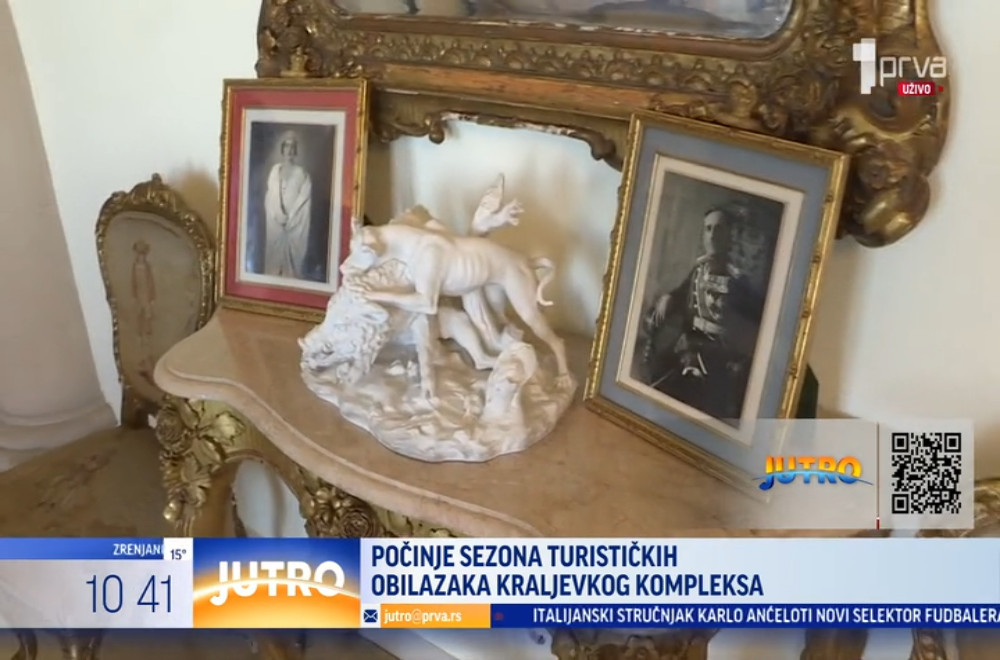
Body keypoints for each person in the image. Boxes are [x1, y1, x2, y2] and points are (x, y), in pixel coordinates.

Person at [638, 203, 765, 423]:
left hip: (719, 356)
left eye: (719, 229)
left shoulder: (739, 282)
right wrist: (668, 297)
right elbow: (681, 293)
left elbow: (749, 334)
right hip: (688, 344)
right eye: (708, 229)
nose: (713, 235)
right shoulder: (698, 271)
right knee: (656, 380)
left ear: (729, 236)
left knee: (708, 405)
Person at [264, 131, 313, 279]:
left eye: (293, 147)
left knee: (292, 270)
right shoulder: (275, 171)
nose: (289, 150)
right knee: (274, 265)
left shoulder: (302, 173)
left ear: (295, 150)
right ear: (282, 149)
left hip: (295, 224)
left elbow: (304, 200)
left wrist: (291, 219)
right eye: (287, 146)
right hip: (276, 224)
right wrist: (278, 216)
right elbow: (270, 197)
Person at [131, 239, 156, 375]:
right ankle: (142, 356)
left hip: (146, 297)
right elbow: (133, 283)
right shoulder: (135, 266)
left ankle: (148, 355)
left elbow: (151, 283)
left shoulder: (147, 267)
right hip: (139, 298)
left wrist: (151, 298)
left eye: (142, 254)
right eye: (138, 253)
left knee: (147, 324)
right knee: (140, 324)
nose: (140, 256)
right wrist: (135, 296)